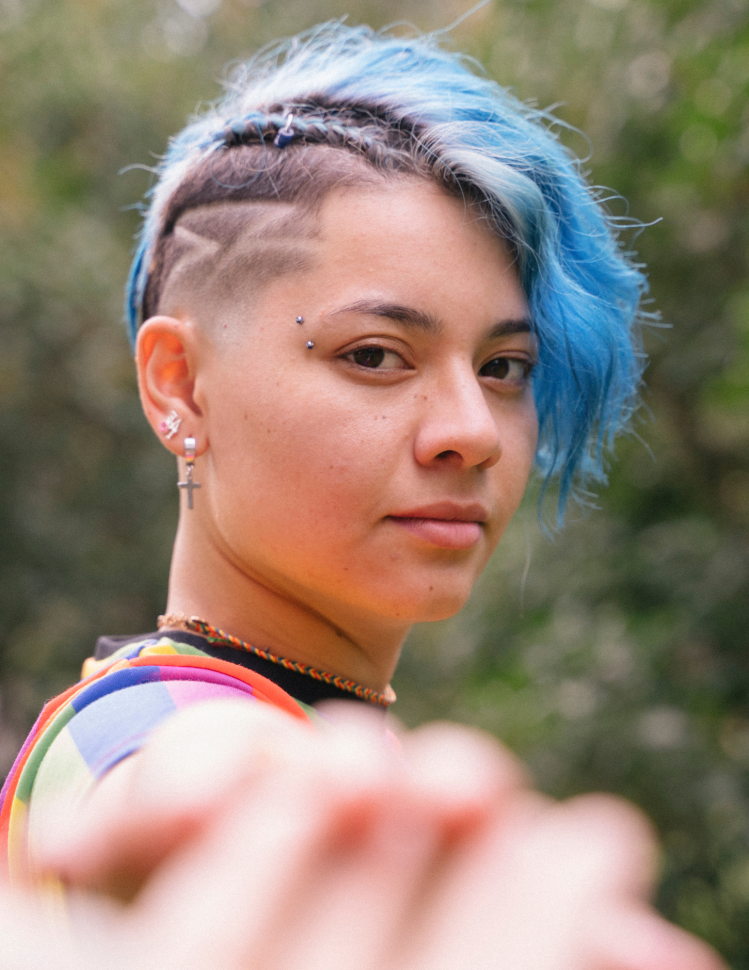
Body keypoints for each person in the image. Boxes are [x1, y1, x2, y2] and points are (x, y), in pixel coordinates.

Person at [0, 21, 724, 970]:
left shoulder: (311, 739)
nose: (471, 428)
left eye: (505, 367)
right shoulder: (158, 739)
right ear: (179, 385)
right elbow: (187, 782)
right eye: (376, 355)